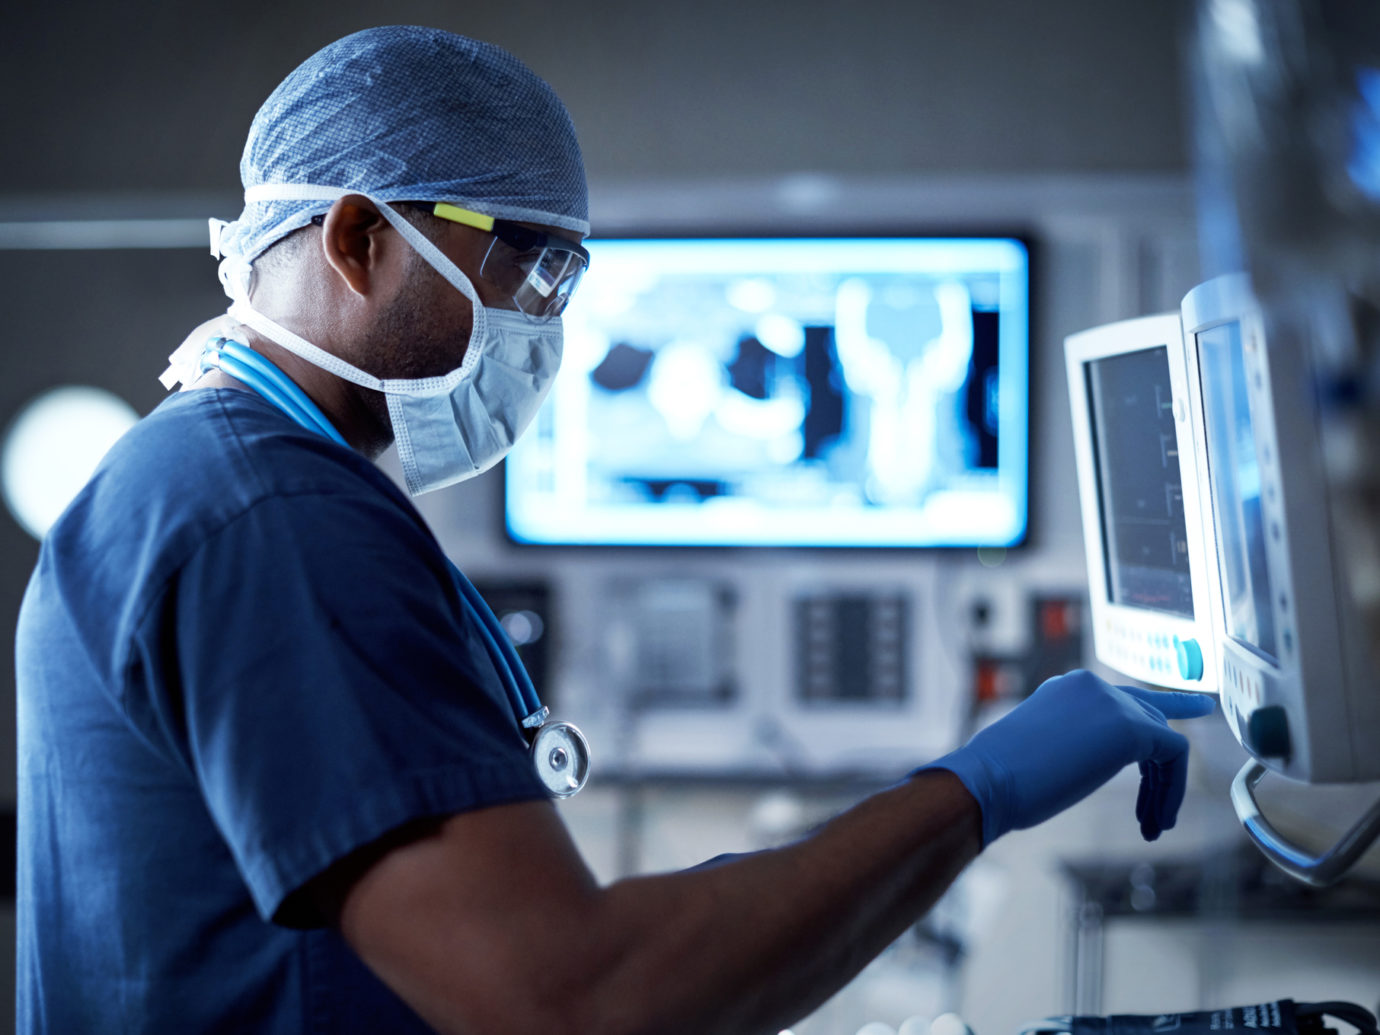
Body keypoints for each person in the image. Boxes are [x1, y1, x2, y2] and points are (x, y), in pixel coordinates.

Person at [15, 25, 1217, 1035]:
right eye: (530, 273)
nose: (549, 331)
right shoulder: (276, 517)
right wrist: (982, 789)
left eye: (570, 284)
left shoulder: (192, 480)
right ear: (359, 238)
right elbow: (576, 1000)